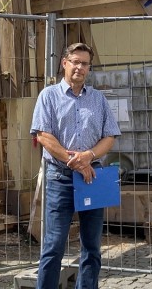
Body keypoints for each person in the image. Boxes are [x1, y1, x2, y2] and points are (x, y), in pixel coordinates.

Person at [30, 42, 121, 289]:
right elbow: (43, 136)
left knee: (91, 246)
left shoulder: (98, 99)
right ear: (64, 64)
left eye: (85, 64)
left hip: (93, 177)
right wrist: (78, 163)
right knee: (54, 245)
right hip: (60, 178)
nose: (80, 68)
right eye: (75, 62)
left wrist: (88, 156)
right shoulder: (48, 96)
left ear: (89, 68)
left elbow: (110, 136)